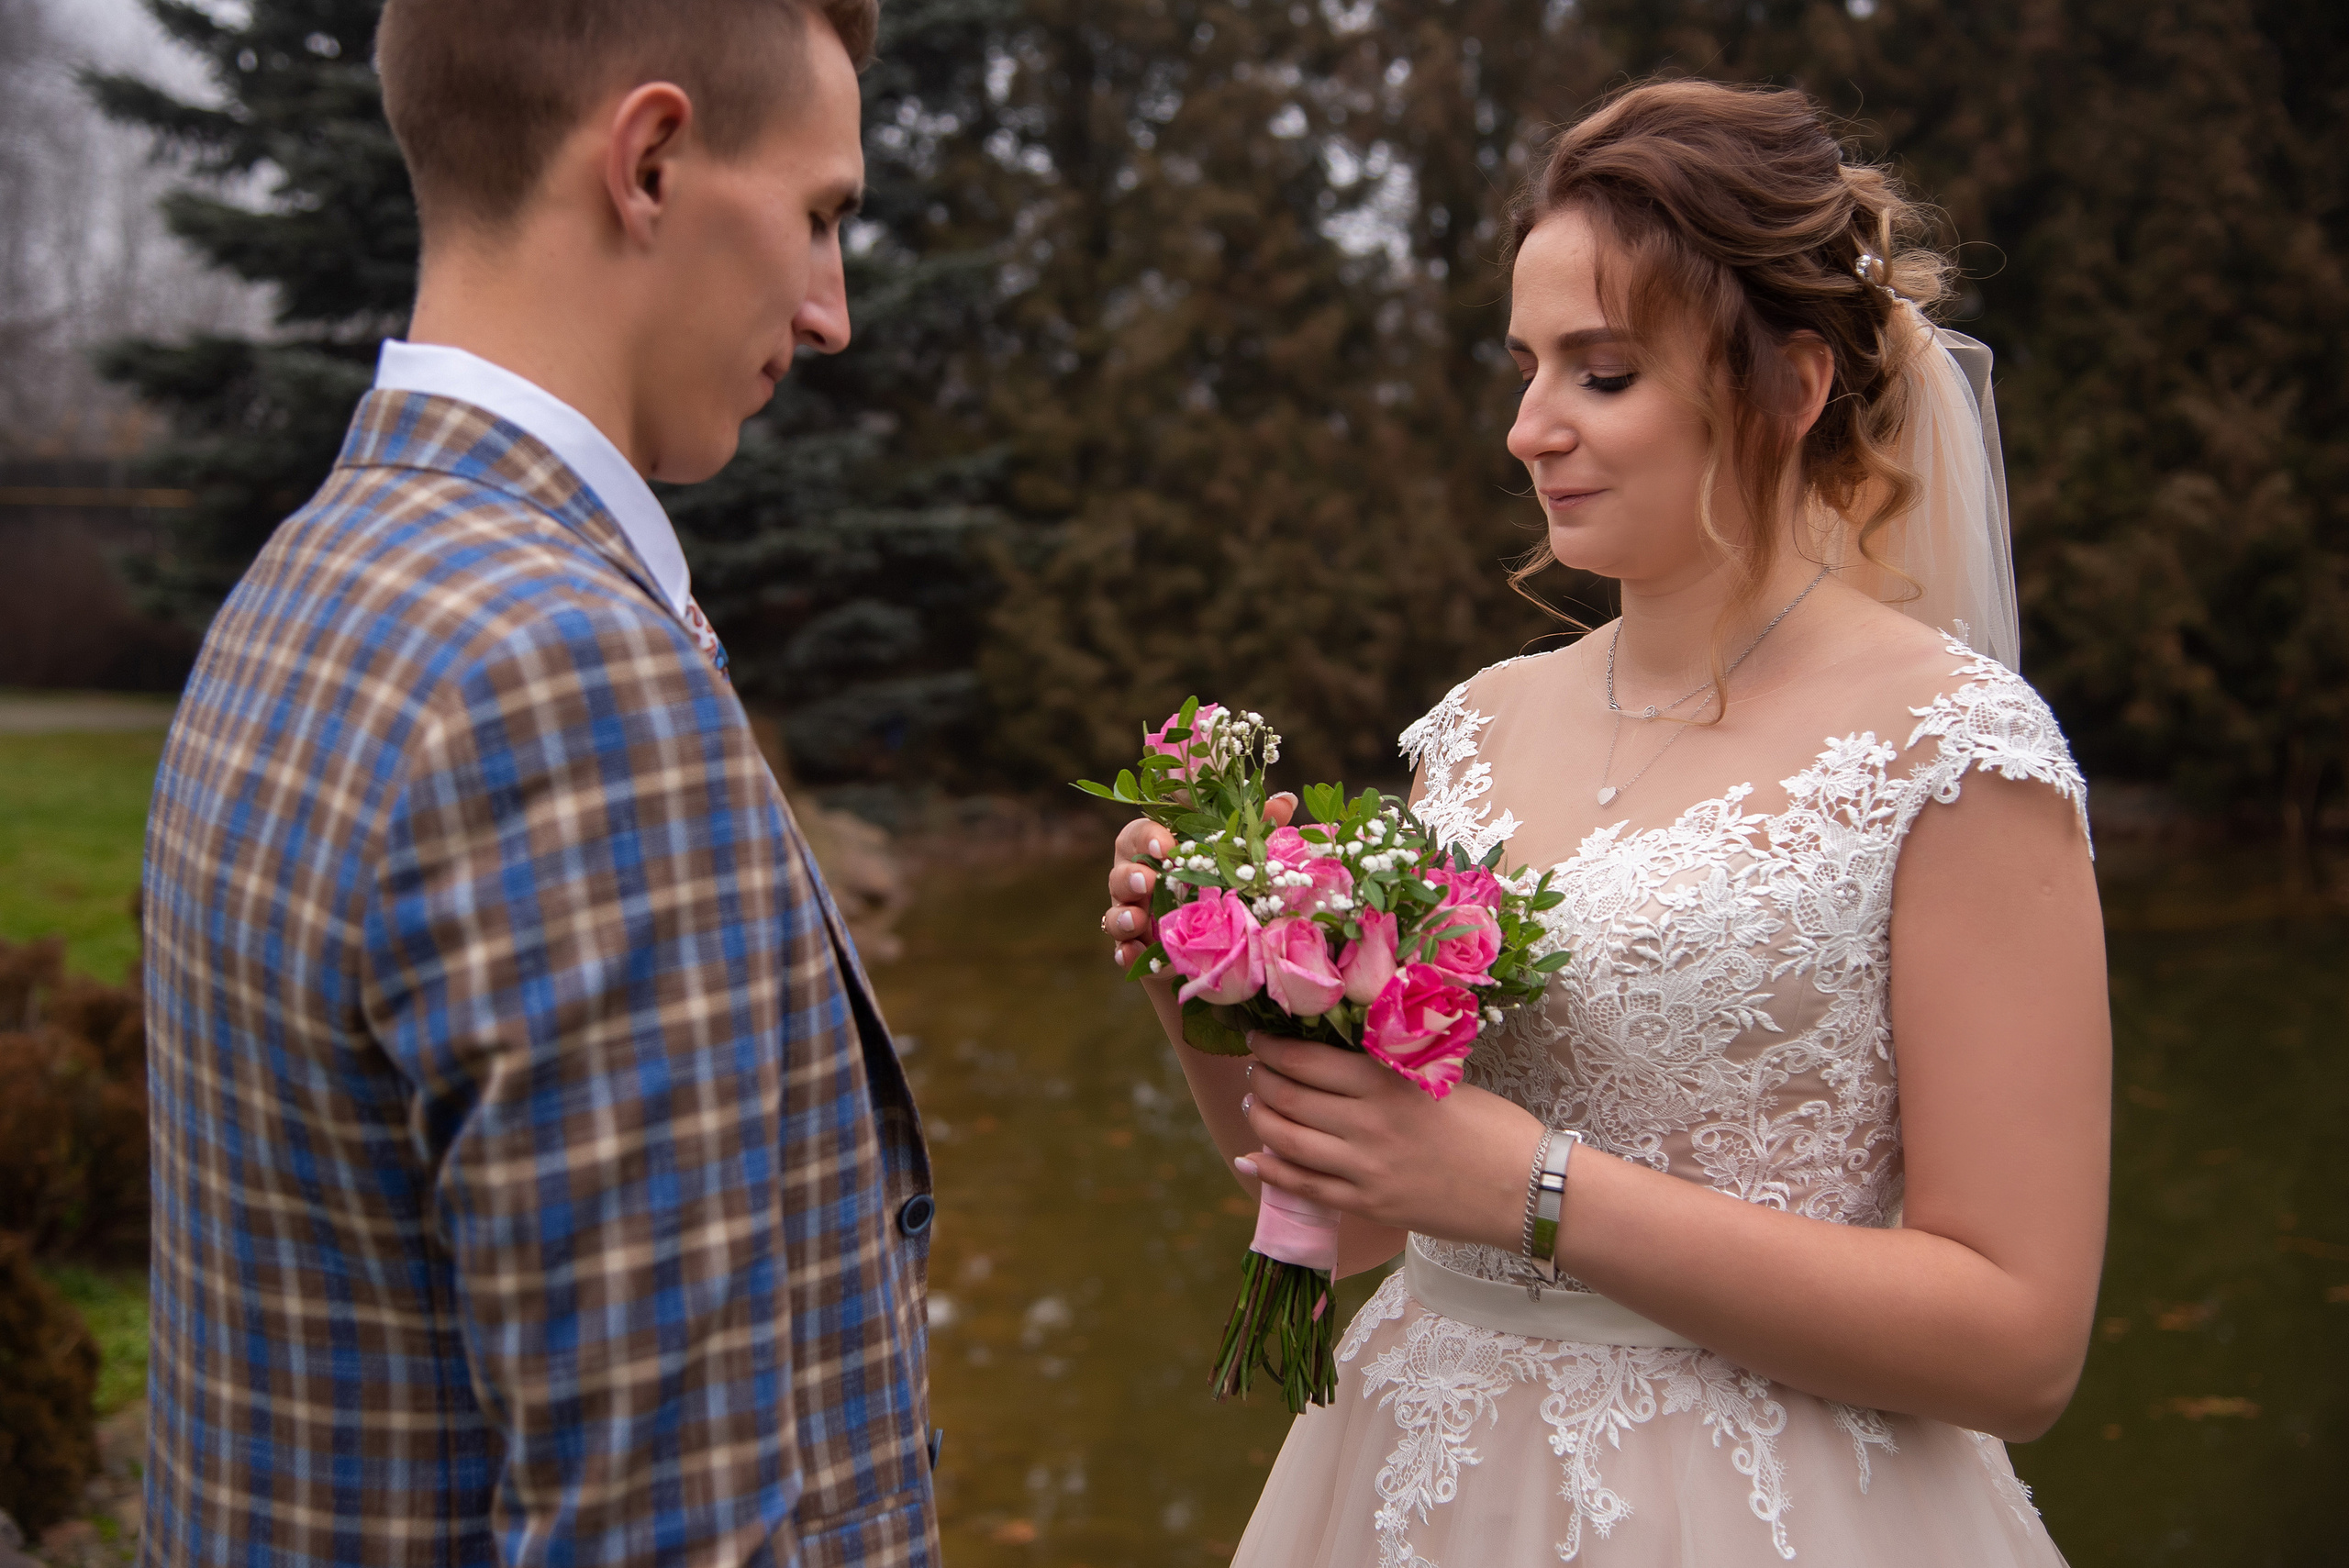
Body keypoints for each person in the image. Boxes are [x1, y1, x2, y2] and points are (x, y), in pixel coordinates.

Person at [1102, 80, 2107, 1564]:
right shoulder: (1479, 728)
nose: (1529, 430)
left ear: (1791, 386)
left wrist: (1535, 1191)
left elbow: (2018, 1343)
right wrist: (1211, 990)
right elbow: (1368, 1220)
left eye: (1604, 373)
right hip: (1421, 1482)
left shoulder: (1952, 749)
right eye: (1526, 369)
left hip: (1759, 1508)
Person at [139, 3, 941, 1563]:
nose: (831, 310)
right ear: (649, 163)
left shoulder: (314, 574)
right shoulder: (564, 682)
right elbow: (662, 1527)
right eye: (818, 215)